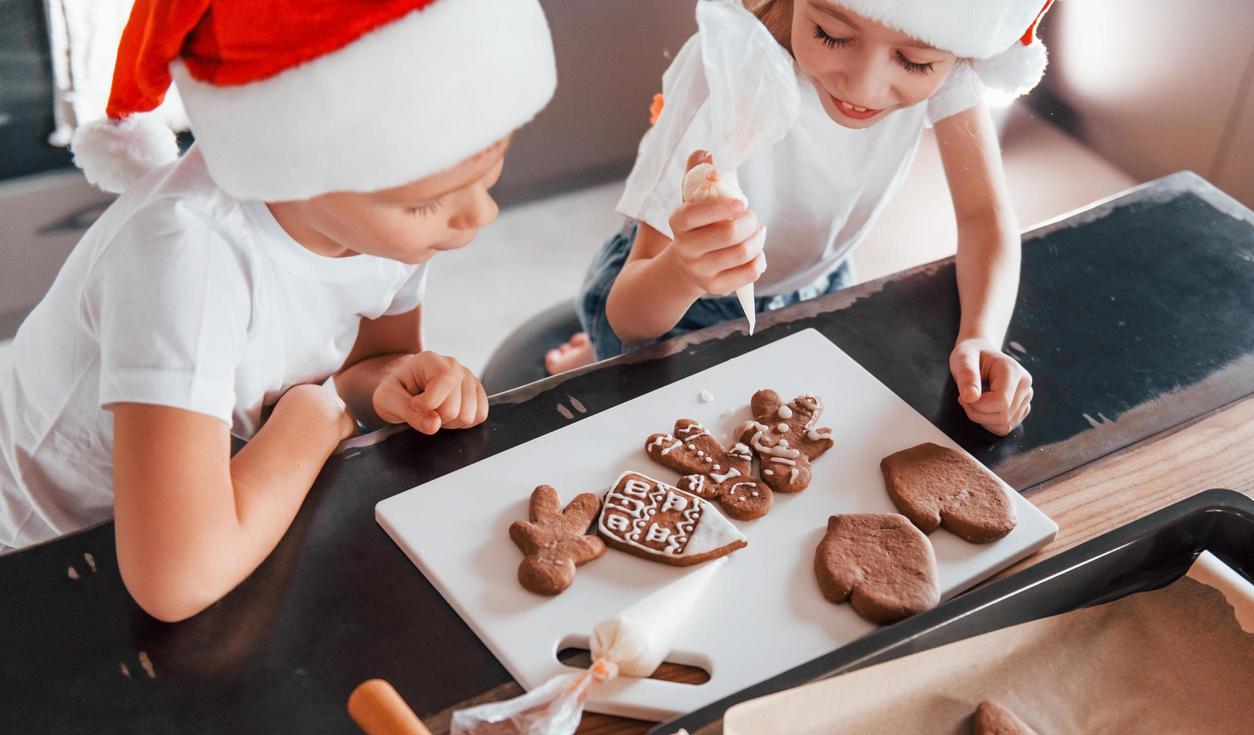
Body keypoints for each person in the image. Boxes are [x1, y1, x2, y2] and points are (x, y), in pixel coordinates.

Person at [0, 0, 557, 621]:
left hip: (217, 498)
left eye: (491, 167)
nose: (481, 216)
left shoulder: (375, 211)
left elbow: (369, 363)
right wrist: (313, 418)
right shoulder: (186, 255)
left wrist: (390, 384)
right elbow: (174, 579)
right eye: (428, 203)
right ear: (293, 167)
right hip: (47, 547)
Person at [552, 0, 1053, 439]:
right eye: (832, 34)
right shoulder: (723, 72)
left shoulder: (951, 60)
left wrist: (982, 337)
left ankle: (587, 352)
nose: (865, 86)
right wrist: (685, 272)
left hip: (816, 279)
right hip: (678, 295)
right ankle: (589, 353)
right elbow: (629, 314)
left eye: (914, 61)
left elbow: (985, 217)